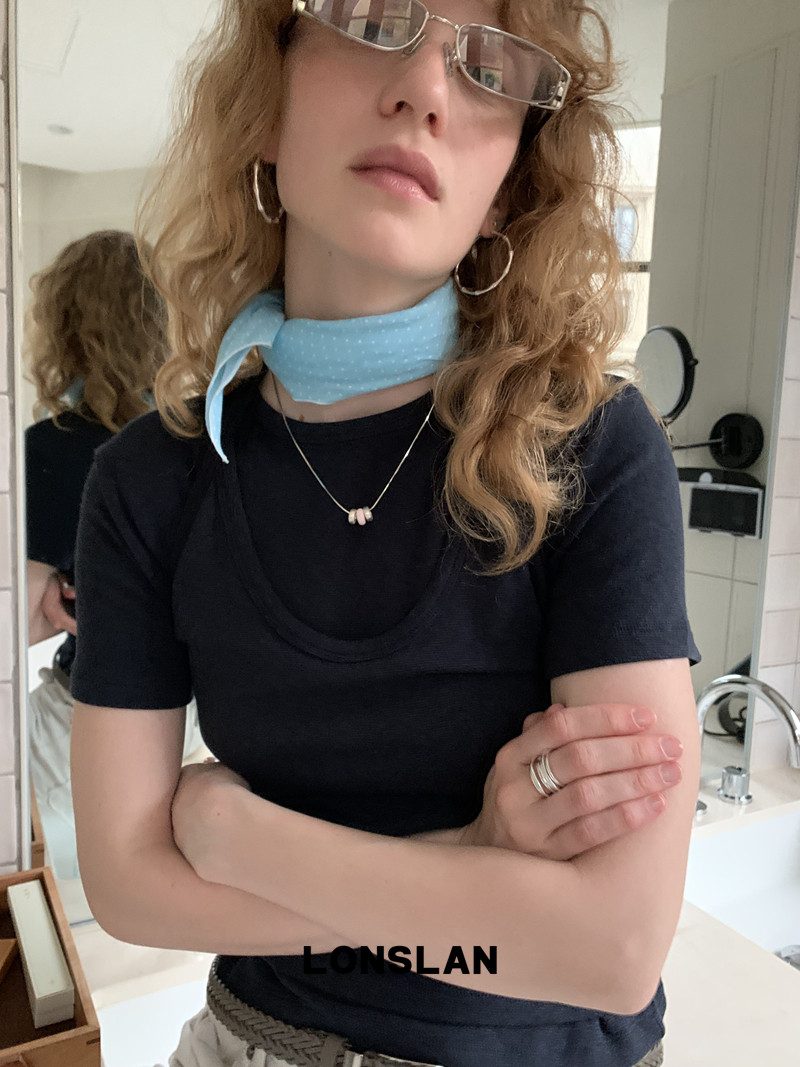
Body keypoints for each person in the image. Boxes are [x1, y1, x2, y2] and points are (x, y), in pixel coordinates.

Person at [69, 3, 701, 1066]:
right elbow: (128, 889)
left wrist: (238, 837)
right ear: (267, 95)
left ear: (509, 188)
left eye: (491, 68)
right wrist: (472, 857)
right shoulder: (147, 482)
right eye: (372, 18)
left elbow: (611, 948)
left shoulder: (591, 447)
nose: (425, 89)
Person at [24, 229, 201, 881]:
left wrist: (51, 598)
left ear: (64, 328)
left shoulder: (51, 450)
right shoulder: (205, 439)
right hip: (202, 728)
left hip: (91, 724)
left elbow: (17, 627)